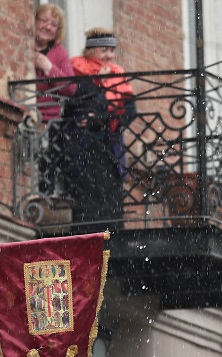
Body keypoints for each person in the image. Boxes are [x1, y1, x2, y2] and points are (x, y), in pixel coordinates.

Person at [61, 28, 136, 225]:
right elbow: (78, 104)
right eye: (104, 50)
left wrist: (105, 119)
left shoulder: (117, 74)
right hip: (83, 145)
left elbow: (130, 109)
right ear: (91, 51)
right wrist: (101, 86)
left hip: (111, 144)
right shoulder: (77, 70)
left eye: (111, 50)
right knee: (87, 201)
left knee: (111, 199)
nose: (109, 56)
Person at [32, 4, 76, 195]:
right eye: (44, 21)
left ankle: (44, 199)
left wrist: (49, 68)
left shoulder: (59, 52)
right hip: (24, 115)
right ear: (34, 21)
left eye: (54, 24)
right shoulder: (21, 45)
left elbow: (71, 88)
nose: (48, 27)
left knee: (45, 166)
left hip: (48, 122)